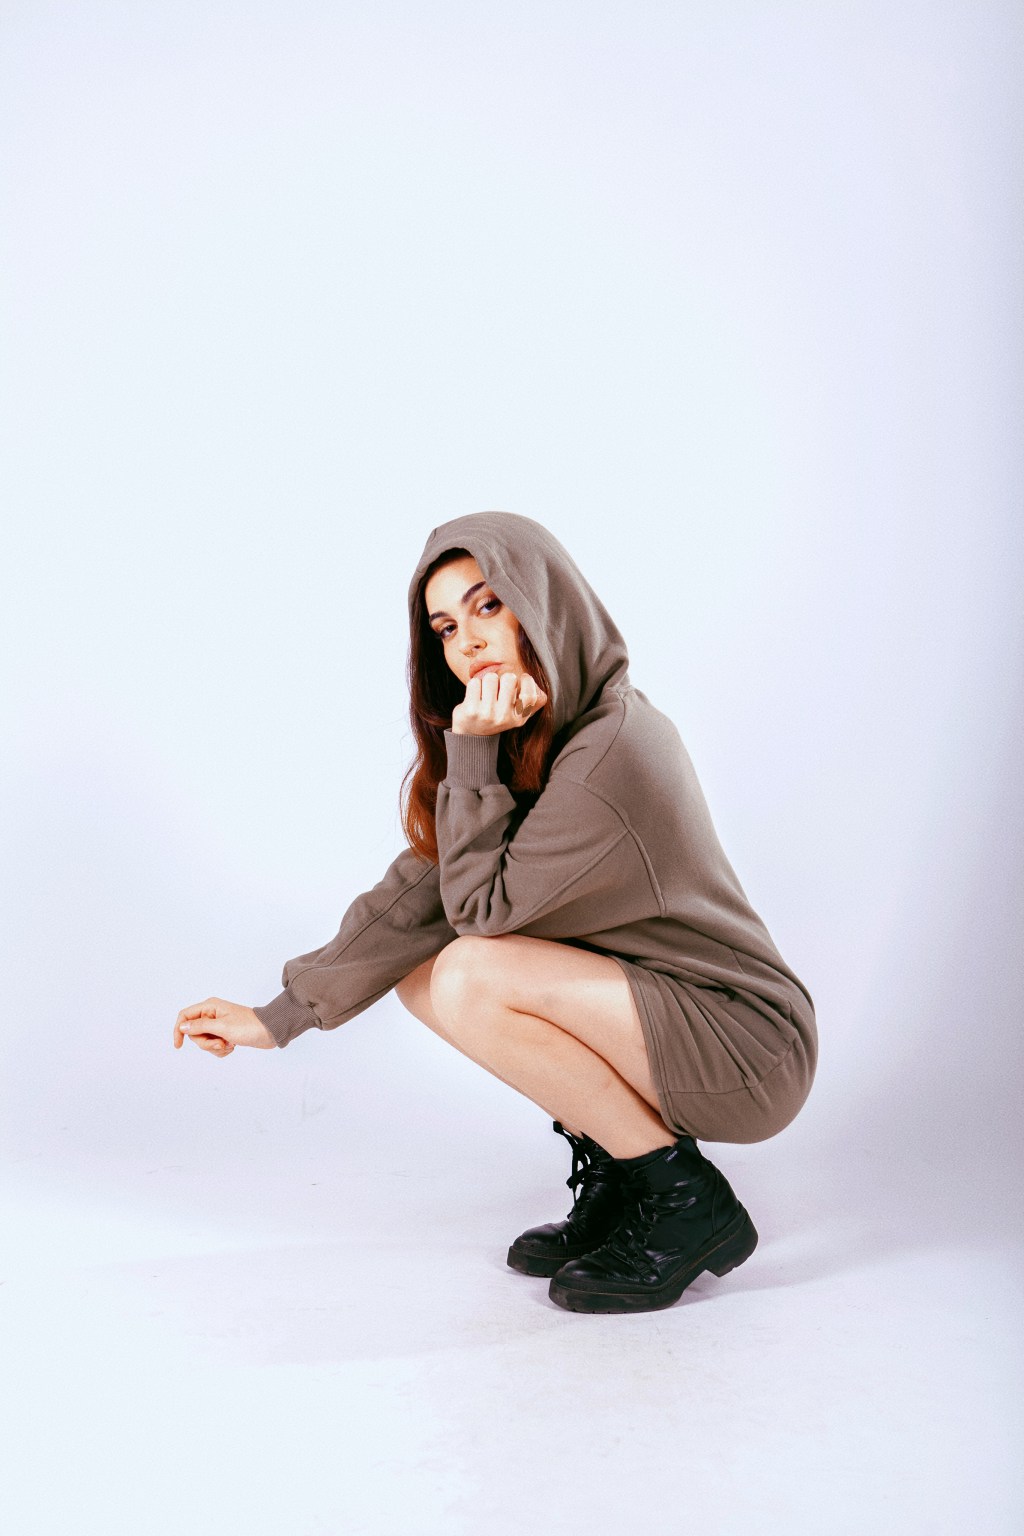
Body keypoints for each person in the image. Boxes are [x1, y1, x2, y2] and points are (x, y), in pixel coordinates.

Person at [173, 510, 818, 1314]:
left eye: (488, 605)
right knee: (422, 972)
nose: (468, 642)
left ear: (544, 604)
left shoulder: (613, 751)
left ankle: (685, 1202)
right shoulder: (540, 734)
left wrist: (472, 751)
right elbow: (424, 890)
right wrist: (280, 1017)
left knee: (471, 974)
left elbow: (479, 913)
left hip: (746, 1042)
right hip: (667, 1015)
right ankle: (624, 1172)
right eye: (446, 627)